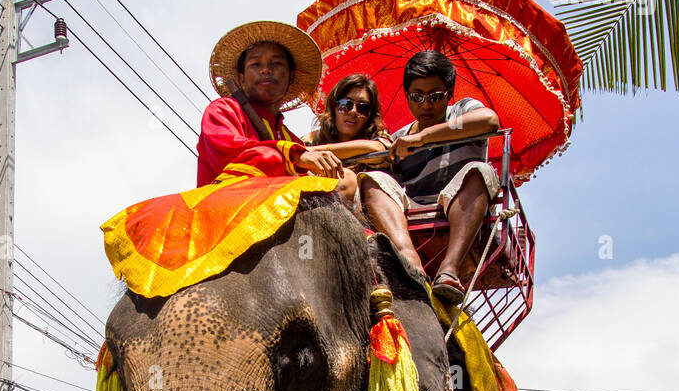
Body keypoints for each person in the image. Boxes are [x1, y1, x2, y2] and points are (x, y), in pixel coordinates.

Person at [360, 49, 501, 301]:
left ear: (449, 93)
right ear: (407, 95)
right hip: (416, 210)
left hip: (462, 199)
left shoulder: (463, 111)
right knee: (373, 181)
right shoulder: (400, 137)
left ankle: (450, 268)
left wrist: (425, 137)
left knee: (479, 171)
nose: (426, 105)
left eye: (435, 96)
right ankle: (409, 260)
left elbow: (489, 121)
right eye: (417, 96)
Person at [198, 20, 343, 187]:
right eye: (255, 64)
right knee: (270, 157)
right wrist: (293, 157)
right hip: (227, 206)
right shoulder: (222, 110)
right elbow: (231, 153)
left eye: (276, 63)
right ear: (241, 78)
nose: (266, 70)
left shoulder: (291, 139)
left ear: (291, 76)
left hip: (278, 207)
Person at [307, 74, 393, 201]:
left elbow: (378, 150)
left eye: (362, 108)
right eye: (345, 104)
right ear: (334, 107)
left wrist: (318, 152)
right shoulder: (312, 140)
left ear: (370, 115)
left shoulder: (380, 137)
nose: (353, 111)